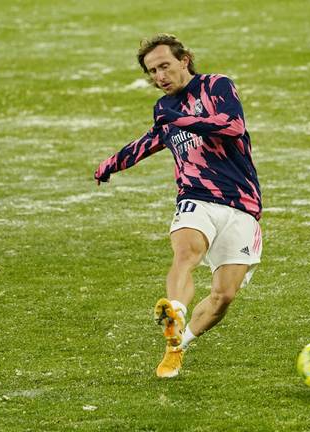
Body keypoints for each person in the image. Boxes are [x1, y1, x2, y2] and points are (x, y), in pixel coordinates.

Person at [94, 33, 262, 378]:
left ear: (184, 59)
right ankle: (176, 310)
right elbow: (152, 139)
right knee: (186, 253)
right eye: (152, 71)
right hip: (195, 197)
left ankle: (178, 346)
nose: (159, 77)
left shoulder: (216, 86)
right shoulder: (164, 109)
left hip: (241, 203)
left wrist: (181, 122)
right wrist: (113, 162)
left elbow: (233, 125)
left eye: (164, 66)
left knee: (223, 297)